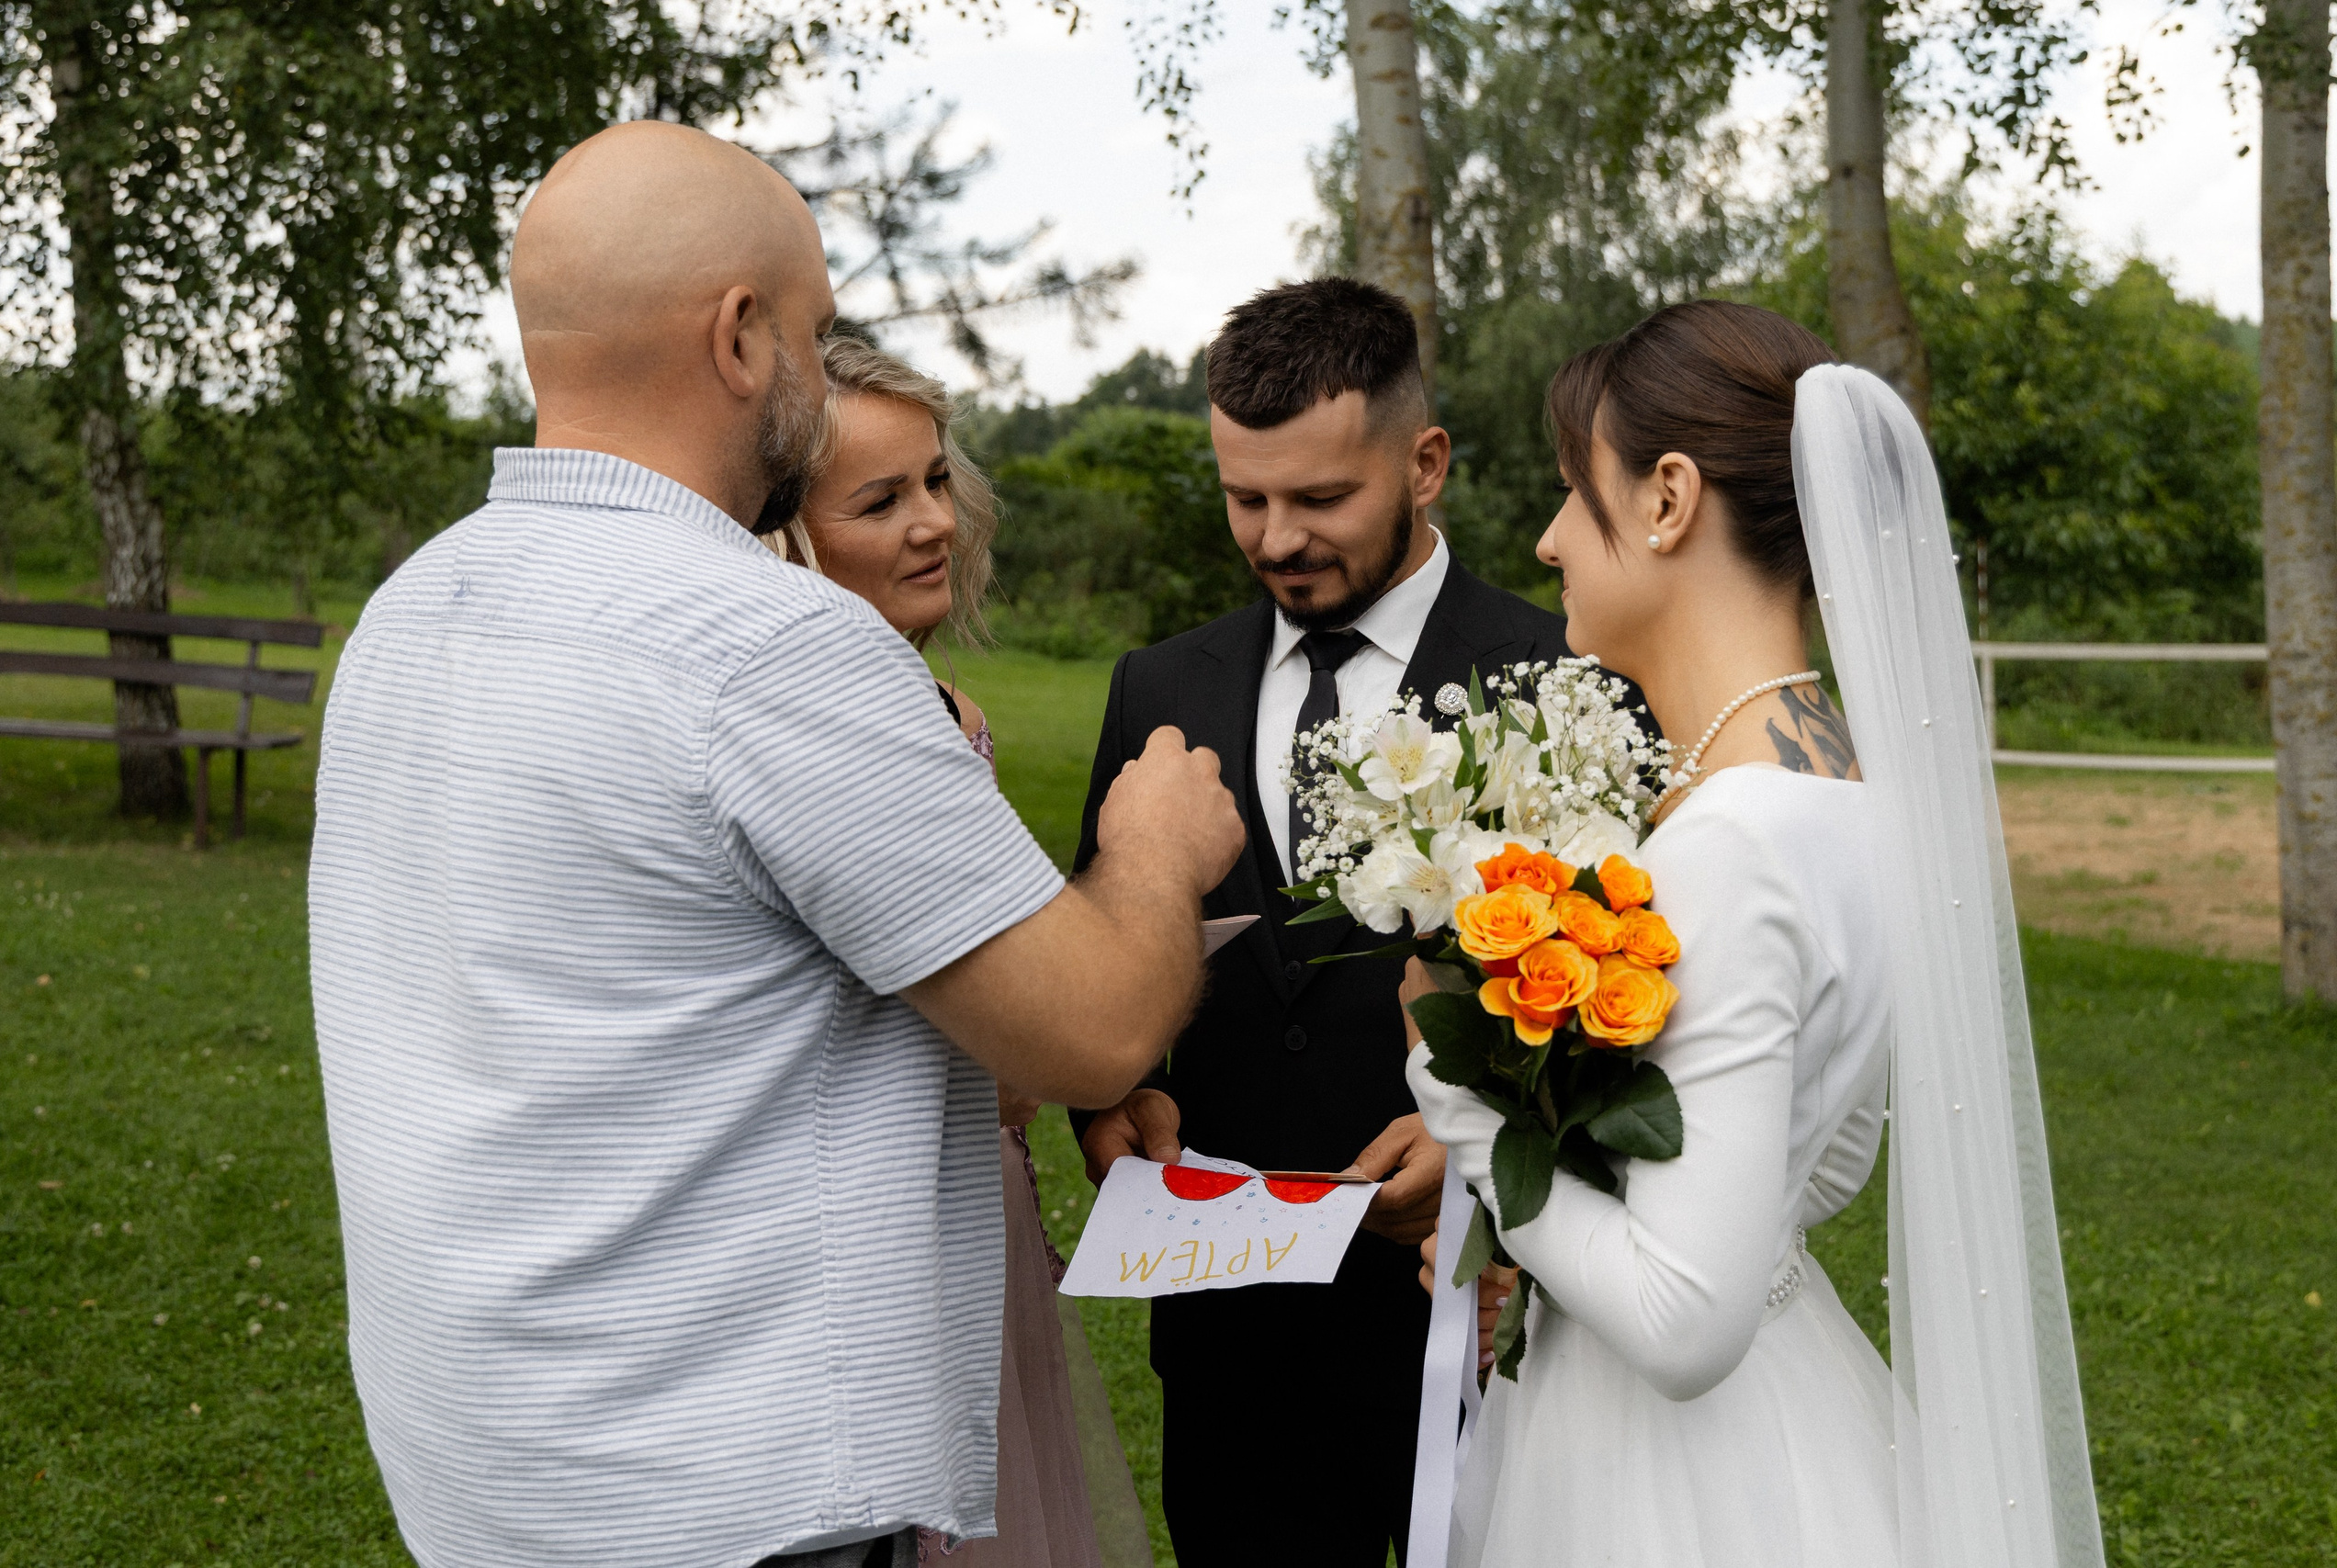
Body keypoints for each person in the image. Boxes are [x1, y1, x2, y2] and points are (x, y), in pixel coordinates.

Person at [307, 122, 1243, 1568]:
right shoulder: (764, 644)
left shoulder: (416, 607)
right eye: (815, 327)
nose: (818, 363)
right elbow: (1098, 1025)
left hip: (493, 1466)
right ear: (742, 338)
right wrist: (1155, 848)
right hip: (724, 1491)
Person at [1403, 301, 2101, 1567]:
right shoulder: (1861, 800)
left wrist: (1456, 1095)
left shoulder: (1729, 845)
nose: (1553, 540)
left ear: (1668, 499)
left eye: (1576, 488)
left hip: (1670, 1485)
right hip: (1794, 1412)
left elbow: (1681, 1320)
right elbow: (1815, 1172)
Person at [1071, 277, 1582, 1566]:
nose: (1276, 538)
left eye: (1320, 499)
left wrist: (1485, 1136)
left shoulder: (1561, 679)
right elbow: (1108, 940)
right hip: (1226, 1324)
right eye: (1246, 498)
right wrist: (1115, 1092)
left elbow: (1625, 998)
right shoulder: (1158, 687)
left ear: (1425, 465)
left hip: (1462, 1310)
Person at [761, 335, 1136, 1568]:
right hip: (886, 1228)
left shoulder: (949, 711)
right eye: (880, 500)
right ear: (789, 538)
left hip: (985, 1199)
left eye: (936, 482)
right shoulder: (818, 726)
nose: (934, 525)